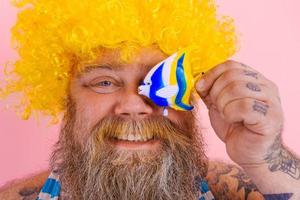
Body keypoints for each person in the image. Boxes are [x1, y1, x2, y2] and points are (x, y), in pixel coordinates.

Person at [0, 1, 299, 199]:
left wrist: (265, 159)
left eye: (162, 81)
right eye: (104, 82)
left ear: (195, 89)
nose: (133, 105)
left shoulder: (240, 192)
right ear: (65, 97)